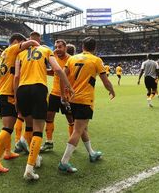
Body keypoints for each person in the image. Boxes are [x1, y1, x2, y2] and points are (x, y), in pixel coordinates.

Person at [14, 32, 73, 180]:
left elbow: (16, 76)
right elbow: (58, 70)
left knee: (28, 126)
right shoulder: (46, 50)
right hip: (38, 88)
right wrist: (69, 86)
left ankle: (34, 155)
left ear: (28, 40)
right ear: (39, 40)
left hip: (22, 90)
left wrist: (16, 98)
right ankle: (29, 167)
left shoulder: (20, 54)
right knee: (38, 130)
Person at [58, 37, 115, 173]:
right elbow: (105, 81)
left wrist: (63, 94)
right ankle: (64, 162)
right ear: (94, 48)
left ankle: (91, 153)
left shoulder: (71, 59)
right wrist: (112, 90)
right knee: (78, 130)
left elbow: (62, 76)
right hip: (85, 100)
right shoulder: (96, 60)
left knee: (82, 128)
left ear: (82, 46)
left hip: (72, 99)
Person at [0, 33, 39, 173]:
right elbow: (30, 43)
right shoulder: (12, 49)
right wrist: (39, 47)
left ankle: (8, 152)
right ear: (16, 42)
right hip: (7, 93)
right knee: (7, 128)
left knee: (9, 125)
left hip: (2, 92)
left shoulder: (5, 53)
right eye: (21, 43)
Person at [40, 39, 74, 152]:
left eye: (60, 47)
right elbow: (54, 72)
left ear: (65, 47)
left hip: (67, 95)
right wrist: (43, 70)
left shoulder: (71, 60)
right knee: (48, 118)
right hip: (54, 93)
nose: (57, 49)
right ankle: (49, 142)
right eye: (56, 47)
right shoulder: (53, 56)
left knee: (70, 119)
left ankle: (72, 143)